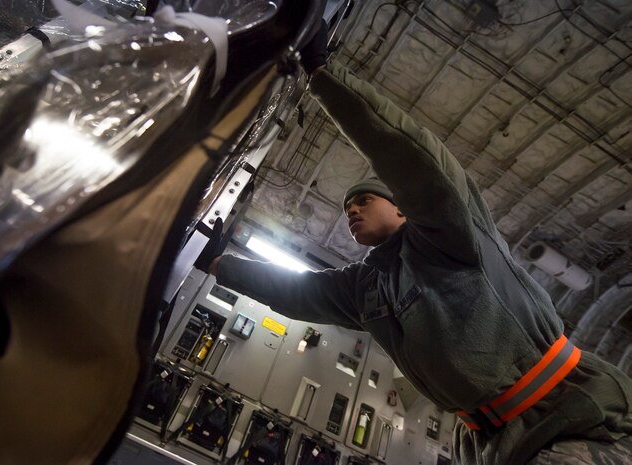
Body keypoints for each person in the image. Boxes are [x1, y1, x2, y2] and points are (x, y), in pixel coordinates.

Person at [206, 25, 632, 465]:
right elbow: (296, 292)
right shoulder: (367, 287)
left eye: (365, 200)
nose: (351, 211)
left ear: (403, 208)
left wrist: (320, 74)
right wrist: (218, 264)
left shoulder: (448, 234)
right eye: (348, 206)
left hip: (575, 415)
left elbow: (409, 155)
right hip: (492, 442)